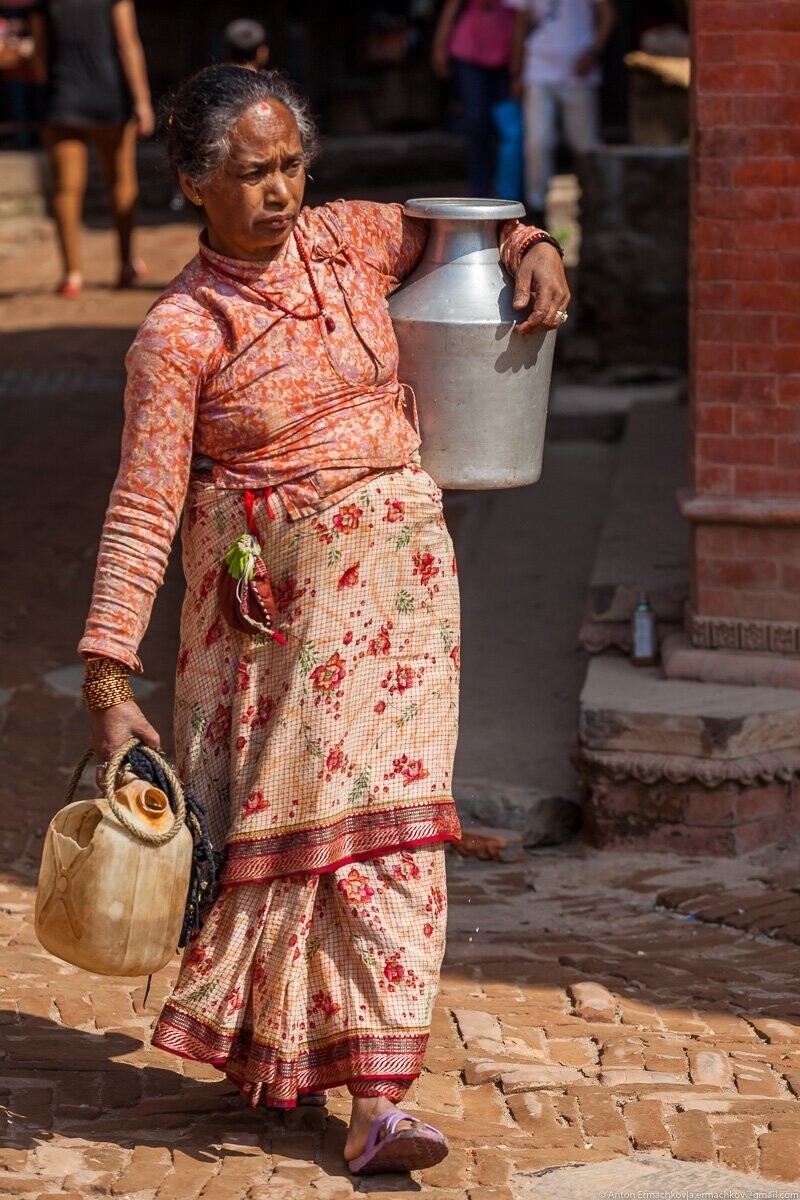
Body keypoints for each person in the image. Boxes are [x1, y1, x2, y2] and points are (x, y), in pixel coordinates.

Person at [78, 64, 569, 1174]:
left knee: (394, 840)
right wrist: (109, 679)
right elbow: (144, 503)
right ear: (194, 184)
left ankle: (376, 1102)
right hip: (274, 633)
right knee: (301, 856)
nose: (280, 191)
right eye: (251, 173)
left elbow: (470, 230)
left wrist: (534, 244)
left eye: (292, 164)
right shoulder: (178, 332)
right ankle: (300, 1062)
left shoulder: (351, 241)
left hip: (401, 604)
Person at [29, 0, 154, 297]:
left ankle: (72, 275)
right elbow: (128, 44)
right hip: (109, 96)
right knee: (121, 181)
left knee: (65, 189)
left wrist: (53, 86)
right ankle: (125, 265)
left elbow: (38, 57)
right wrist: (142, 101)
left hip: (63, 98)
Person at [506, 0, 615, 225]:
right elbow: (520, 25)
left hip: (579, 71)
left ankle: (593, 206)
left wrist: (593, 53)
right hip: (538, 69)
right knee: (538, 141)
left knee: (585, 144)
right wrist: (517, 72)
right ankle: (536, 211)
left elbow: (608, 14)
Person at [431, 0, 520, 199]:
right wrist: (439, 47)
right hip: (469, 54)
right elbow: (451, 8)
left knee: (509, 129)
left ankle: (509, 194)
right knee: (477, 123)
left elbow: (524, 18)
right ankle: (480, 191)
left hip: (507, 58)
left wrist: (519, 65)